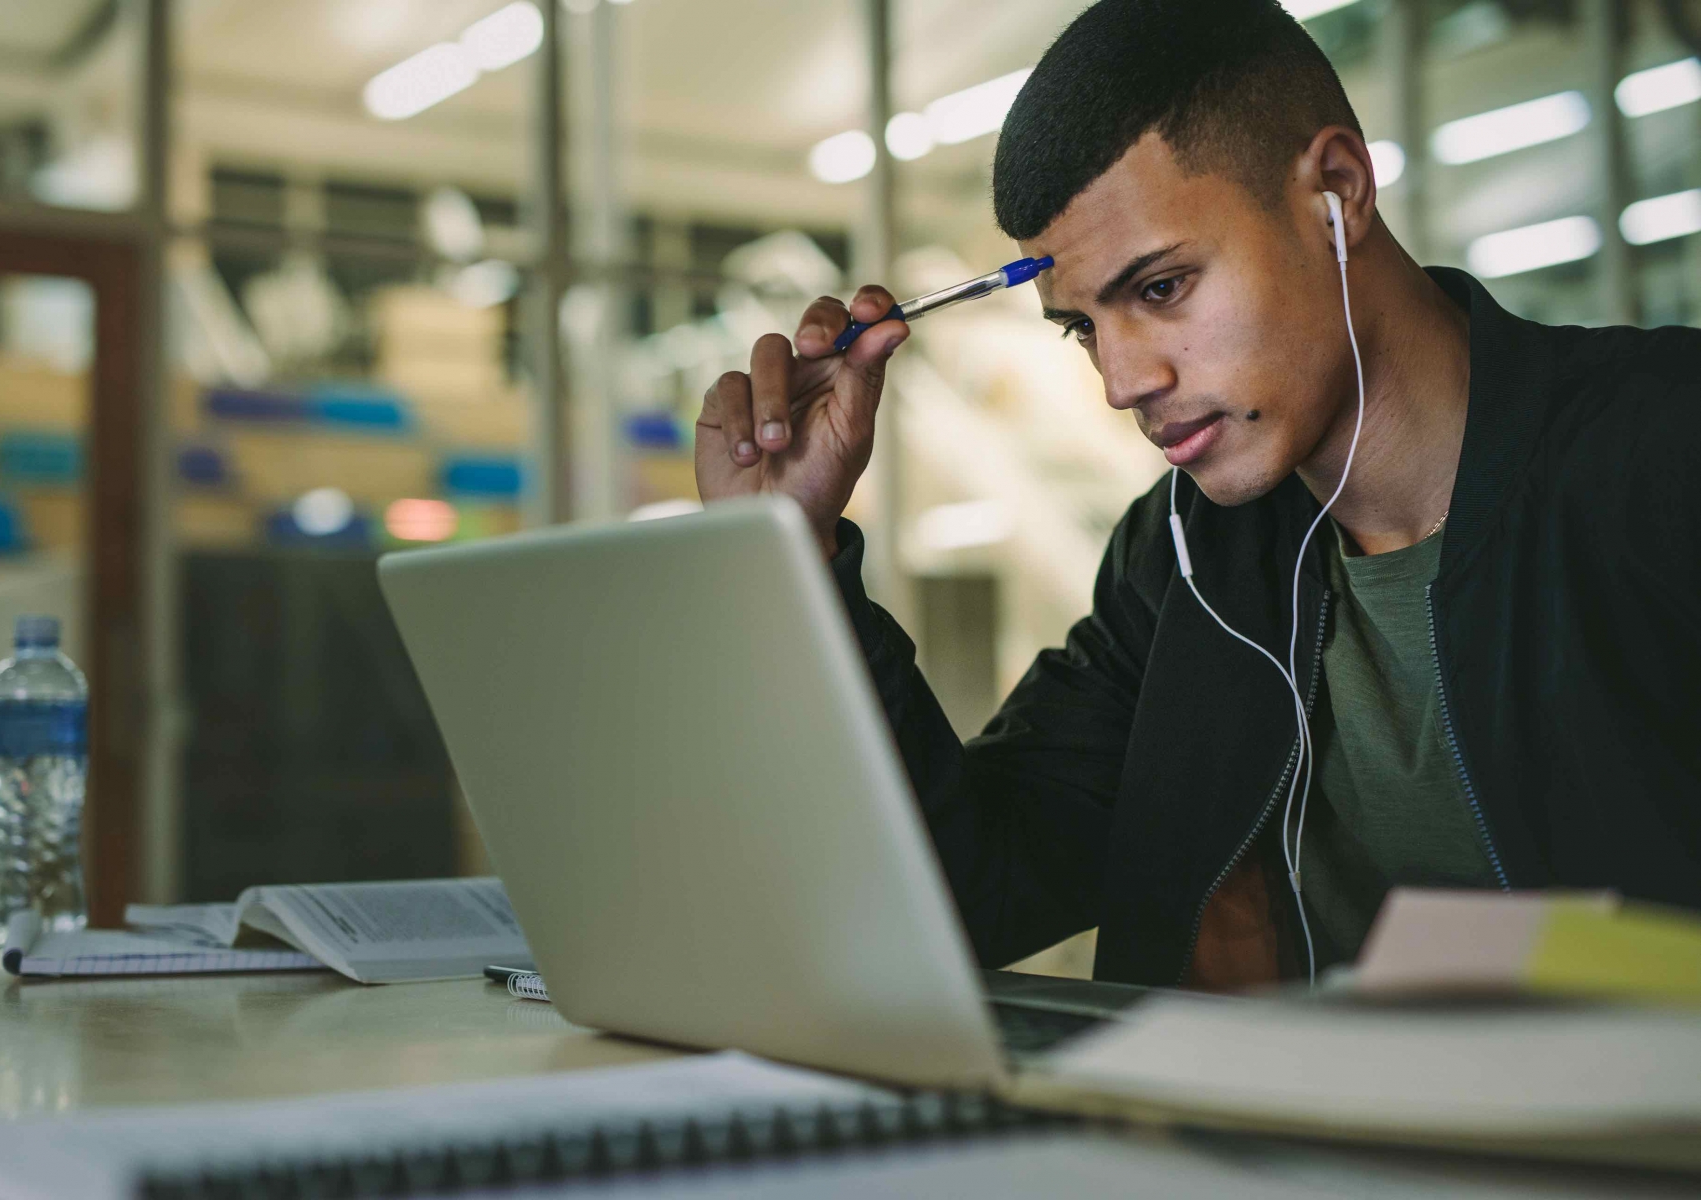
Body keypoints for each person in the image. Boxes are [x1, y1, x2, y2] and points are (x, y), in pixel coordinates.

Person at [693, 0, 1701, 989]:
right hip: (1252, 1148)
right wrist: (797, 551)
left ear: (1338, 192)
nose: (1123, 381)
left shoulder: (1663, 454)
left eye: (1162, 288)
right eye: (1083, 326)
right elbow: (967, 894)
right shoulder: (1181, 555)